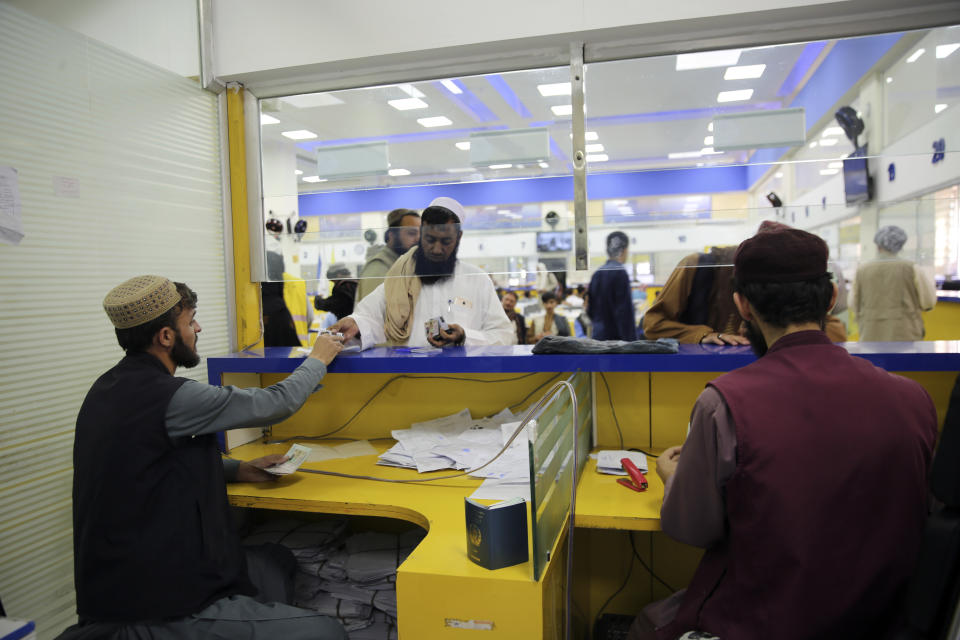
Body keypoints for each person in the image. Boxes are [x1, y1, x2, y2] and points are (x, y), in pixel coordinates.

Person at [627, 225, 938, 640]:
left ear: (743, 306)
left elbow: (691, 529)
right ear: (830, 298)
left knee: (647, 622)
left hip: (761, 620)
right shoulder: (914, 399)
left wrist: (671, 479)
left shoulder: (724, 404)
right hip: (883, 620)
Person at [59, 275, 347, 640]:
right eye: (190, 321)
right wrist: (318, 357)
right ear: (165, 337)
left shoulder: (106, 388)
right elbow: (274, 403)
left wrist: (238, 468)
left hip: (116, 582)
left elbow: (143, 462)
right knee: (327, 632)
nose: (198, 328)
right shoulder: (171, 396)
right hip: (152, 604)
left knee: (277, 561)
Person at [330, 197, 516, 349]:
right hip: (407, 380)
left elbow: (503, 335)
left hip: (462, 380)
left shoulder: (477, 280)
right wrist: (355, 324)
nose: (436, 249)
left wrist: (465, 337)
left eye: (445, 242)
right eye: (430, 239)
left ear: (458, 238)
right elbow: (369, 317)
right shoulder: (400, 278)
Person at [643, 223, 847, 344]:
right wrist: (703, 335)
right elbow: (653, 324)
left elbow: (835, 331)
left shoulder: (791, 285)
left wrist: (771, 331)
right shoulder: (696, 267)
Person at [853, 224, 937, 341]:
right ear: (900, 245)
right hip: (906, 334)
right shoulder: (911, 268)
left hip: (870, 333)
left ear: (877, 245)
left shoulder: (862, 269)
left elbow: (853, 302)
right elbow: (928, 301)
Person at [356, 208, 421, 302]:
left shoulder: (405, 264)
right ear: (392, 235)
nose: (418, 239)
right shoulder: (379, 267)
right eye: (411, 233)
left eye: (421, 234)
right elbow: (372, 314)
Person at [588, 231, 637, 340]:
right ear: (624, 251)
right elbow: (624, 312)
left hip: (598, 336)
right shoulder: (620, 273)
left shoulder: (597, 274)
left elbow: (590, 309)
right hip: (617, 340)